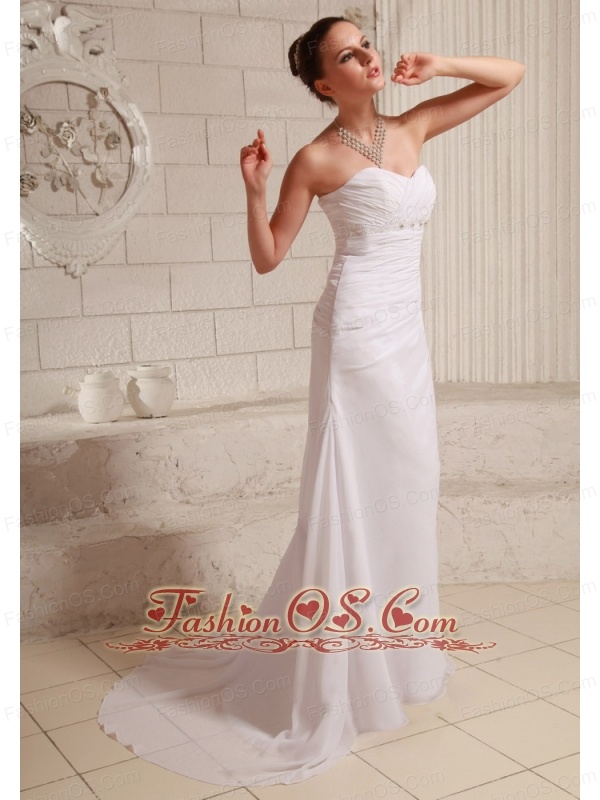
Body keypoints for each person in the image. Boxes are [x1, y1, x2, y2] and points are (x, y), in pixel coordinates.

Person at [98, 16, 525, 789]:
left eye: (367, 45)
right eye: (348, 55)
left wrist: (439, 63)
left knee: (410, 483)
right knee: (351, 495)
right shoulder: (316, 158)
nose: (367, 57)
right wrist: (254, 189)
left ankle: (394, 659)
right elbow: (270, 257)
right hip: (354, 332)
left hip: (406, 335)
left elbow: (510, 77)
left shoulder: (413, 125)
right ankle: (337, 675)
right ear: (326, 82)